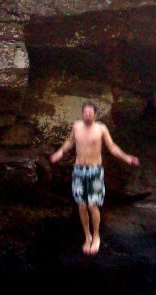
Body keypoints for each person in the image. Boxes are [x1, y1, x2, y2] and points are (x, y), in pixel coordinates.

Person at [49, 102, 139, 255]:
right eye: (85, 112)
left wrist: (126, 157)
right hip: (79, 170)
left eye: (91, 113)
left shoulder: (101, 128)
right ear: (82, 113)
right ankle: (87, 236)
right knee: (81, 205)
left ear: (95, 114)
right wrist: (60, 152)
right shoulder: (76, 126)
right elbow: (70, 142)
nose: (88, 115)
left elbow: (112, 147)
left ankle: (96, 235)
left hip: (94, 171)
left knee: (92, 204)